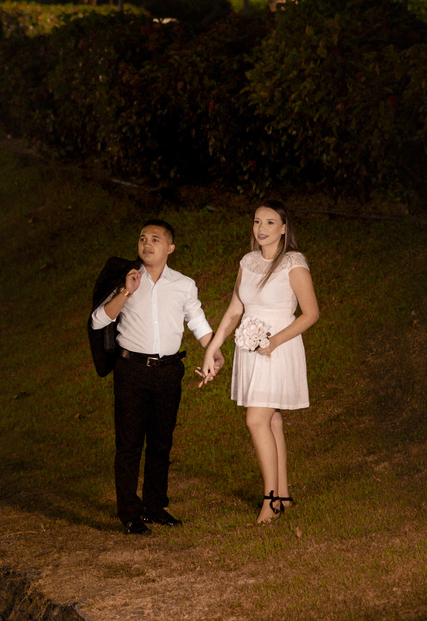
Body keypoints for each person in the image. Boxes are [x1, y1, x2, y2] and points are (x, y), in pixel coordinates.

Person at [198, 200, 320, 524]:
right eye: (257, 222)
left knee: (256, 420)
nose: (261, 229)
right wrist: (213, 348)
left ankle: (271, 500)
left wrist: (274, 341)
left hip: (278, 348)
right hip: (250, 348)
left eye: (269, 223)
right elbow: (235, 309)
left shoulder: (293, 262)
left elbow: (311, 313)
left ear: (283, 228)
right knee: (271, 419)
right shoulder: (248, 262)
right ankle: (283, 494)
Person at [91, 220, 213, 535]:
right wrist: (125, 293)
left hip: (169, 372)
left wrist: (213, 350)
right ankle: (130, 513)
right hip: (131, 371)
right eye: (142, 238)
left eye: (155, 239)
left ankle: (155, 507)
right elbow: (98, 320)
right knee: (129, 444)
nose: (147, 244)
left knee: (161, 443)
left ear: (169, 247)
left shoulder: (184, 284)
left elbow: (196, 318)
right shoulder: (127, 279)